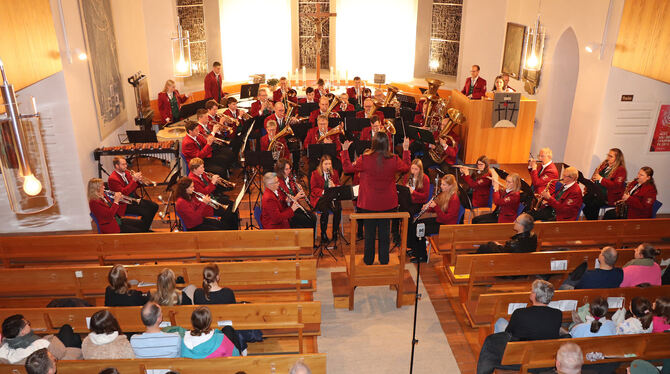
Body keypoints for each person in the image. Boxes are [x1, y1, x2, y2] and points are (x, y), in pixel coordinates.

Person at [341, 134, 410, 265]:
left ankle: (368, 260)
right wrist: (406, 150)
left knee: (370, 233)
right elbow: (406, 167)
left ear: (373, 144)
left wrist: (345, 152)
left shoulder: (365, 159)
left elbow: (347, 169)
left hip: (368, 203)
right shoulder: (394, 159)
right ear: (387, 144)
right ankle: (384, 260)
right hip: (387, 203)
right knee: (385, 233)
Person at [408, 174, 460, 262]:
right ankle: (416, 250)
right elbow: (438, 208)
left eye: (444, 185)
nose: (441, 186)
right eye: (441, 184)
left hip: (446, 225)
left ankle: (422, 256)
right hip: (440, 220)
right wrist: (428, 208)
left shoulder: (454, 199)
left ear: (450, 186)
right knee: (416, 224)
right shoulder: (445, 194)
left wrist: (435, 207)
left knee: (421, 230)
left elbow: (446, 218)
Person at [0, 316, 81, 365]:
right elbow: (60, 352)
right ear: (22, 332)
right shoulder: (40, 344)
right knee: (67, 328)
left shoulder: (5, 349)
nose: (29, 324)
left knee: (75, 337)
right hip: (62, 357)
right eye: (27, 323)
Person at [498, 280, 562, 340]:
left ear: (534, 295)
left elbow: (508, 332)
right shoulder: (558, 313)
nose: (530, 292)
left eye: (532, 290)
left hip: (521, 349)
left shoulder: (519, 313)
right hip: (546, 349)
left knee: (500, 321)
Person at [107, 156, 158, 231]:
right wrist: (134, 180)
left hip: (133, 199)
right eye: (123, 164)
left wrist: (139, 181)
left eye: (126, 164)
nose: (126, 166)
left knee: (154, 206)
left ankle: (144, 228)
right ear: (116, 166)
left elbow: (134, 186)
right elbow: (124, 193)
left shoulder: (127, 173)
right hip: (124, 204)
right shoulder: (112, 179)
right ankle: (144, 230)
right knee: (147, 212)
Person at [188, 158, 237, 229]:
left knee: (232, 205)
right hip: (206, 205)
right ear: (195, 169)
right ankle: (229, 229)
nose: (203, 169)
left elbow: (210, 187)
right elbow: (203, 193)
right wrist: (213, 182)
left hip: (211, 198)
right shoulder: (192, 180)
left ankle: (233, 228)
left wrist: (216, 181)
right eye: (201, 167)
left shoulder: (202, 174)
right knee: (228, 212)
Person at [583, 148, 627, 220]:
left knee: (593, 203)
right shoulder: (604, 166)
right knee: (584, 200)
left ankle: (593, 223)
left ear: (617, 158)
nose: (608, 158)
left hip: (609, 196)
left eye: (611, 156)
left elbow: (616, 186)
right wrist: (591, 183)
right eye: (608, 155)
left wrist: (601, 179)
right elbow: (595, 178)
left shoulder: (621, 170)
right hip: (598, 193)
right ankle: (591, 221)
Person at [274, 158, 315, 230]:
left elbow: (293, 192)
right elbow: (283, 201)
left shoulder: (290, 178)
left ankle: (310, 240)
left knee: (312, 217)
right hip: (286, 210)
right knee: (307, 220)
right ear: (280, 170)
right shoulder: (278, 183)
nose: (289, 171)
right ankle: (305, 239)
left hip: (295, 206)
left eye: (289, 168)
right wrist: (296, 197)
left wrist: (298, 189)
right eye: (286, 169)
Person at [310, 155, 342, 245]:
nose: (328, 166)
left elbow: (339, 186)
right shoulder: (315, 174)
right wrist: (324, 191)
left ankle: (335, 232)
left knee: (338, 209)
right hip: (319, 198)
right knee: (325, 211)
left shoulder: (334, 173)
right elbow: (313, 189)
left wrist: (334, 186)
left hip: (331, 198)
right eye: (326, 164)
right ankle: (323, 233)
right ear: (321, 165)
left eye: (330, 164)